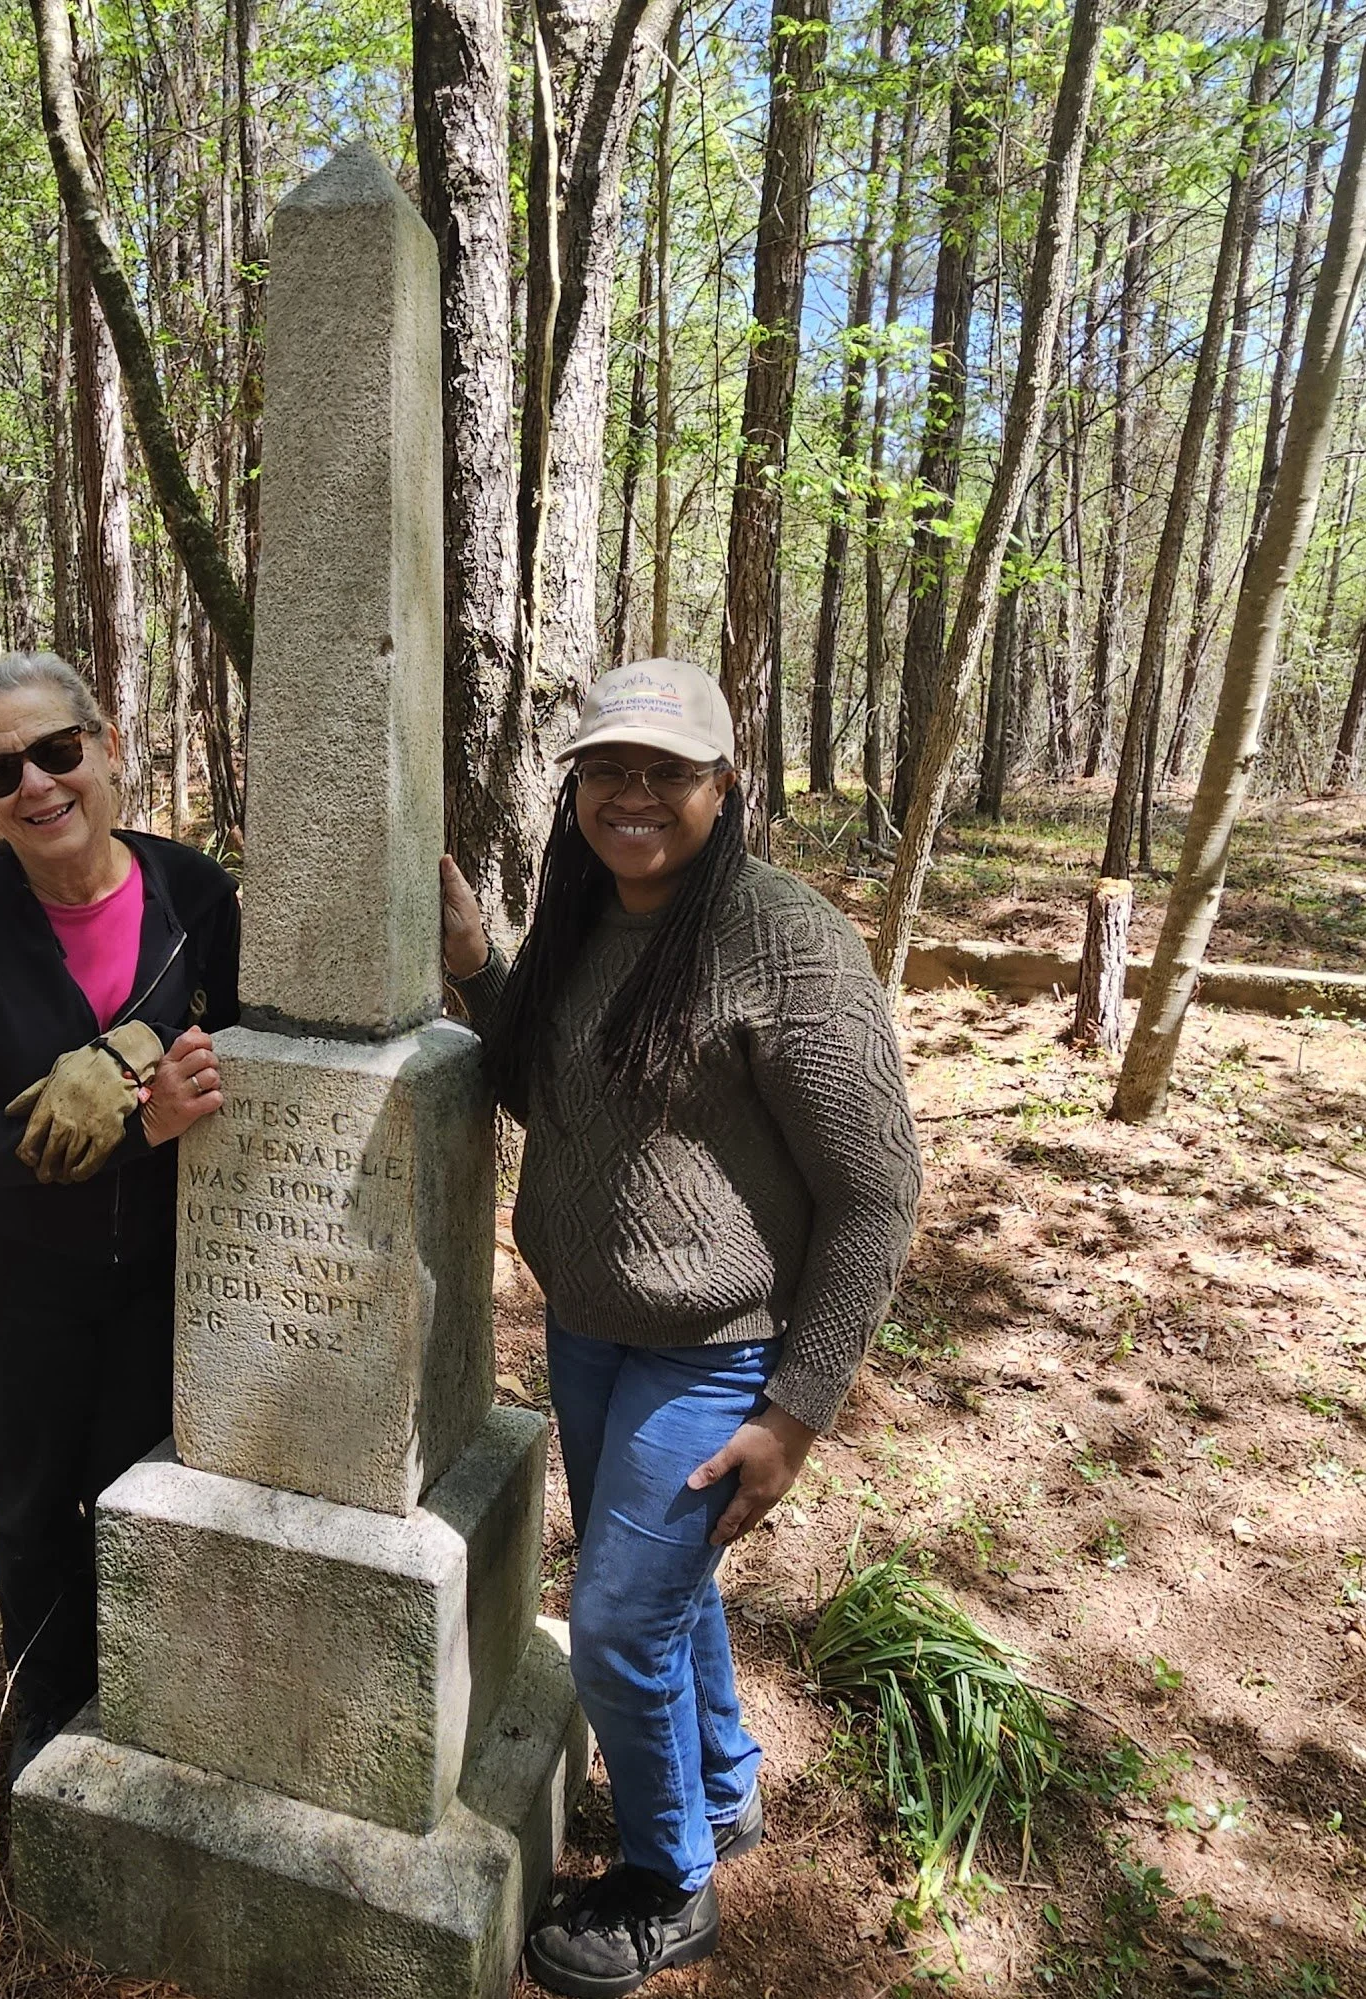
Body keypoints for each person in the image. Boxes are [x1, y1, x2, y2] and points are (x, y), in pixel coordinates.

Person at [440, 659, 920, 1999]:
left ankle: (667, 1881)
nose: (631, 797)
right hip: (590, 1331)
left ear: (725, 783)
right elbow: (557, 1092)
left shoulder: (782, 937)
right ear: (574, 789)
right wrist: (480, 963)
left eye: (665, 771)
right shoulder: (586, 911)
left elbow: (875, 1189)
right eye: (604, 771)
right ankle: (717, 1790)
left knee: (609, 1622)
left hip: (715, 1357)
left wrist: (795, 1410)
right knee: (657, 1592)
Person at [0, 652, 239, 1781]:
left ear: (106, 746)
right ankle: (47, 1711)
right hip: (8, 1286)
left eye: (56, 751)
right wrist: (130, 1126)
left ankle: (144, 1693)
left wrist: (161, 1065)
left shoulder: (196, 894)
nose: (37, 786)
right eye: (1, 772)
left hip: (154, 1271)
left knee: (140, 1489)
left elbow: (239, 1042)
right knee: (39, 1501)